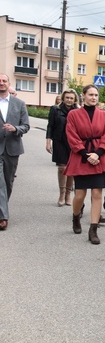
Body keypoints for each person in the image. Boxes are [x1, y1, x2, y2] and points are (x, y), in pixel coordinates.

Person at [63, 85, 105, 244]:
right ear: (83, 95)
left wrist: (97, 153)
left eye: (96, 95)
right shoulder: (73, 114)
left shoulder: (104, 115)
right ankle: (76, 216)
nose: (94, 97)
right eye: (90, 94)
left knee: (97, 193)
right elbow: (71, 136)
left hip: (99, 157)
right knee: (79, 195)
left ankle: (93, 229)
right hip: (81, 157)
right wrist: (85, 154)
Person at [0, 74, 30, 231]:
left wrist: (15, 129)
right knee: (0, 183)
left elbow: (26, 126)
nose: (1, 83)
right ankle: (3, 217)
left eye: (4, 81)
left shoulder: (19, 104)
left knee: (8, 181)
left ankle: (2, 207)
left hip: (12, 147)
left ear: (8, 84)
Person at [46, 89, 79, 207]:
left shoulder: (78, 111)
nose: (69, 100)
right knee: (62, 168)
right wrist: (48, 141)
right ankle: (62, 193)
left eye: (71, 98)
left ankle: (68, 195)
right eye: (67, 98)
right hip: (59, 140)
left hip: (73, 142)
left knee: (72, 169)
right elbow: (50, 126)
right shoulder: (55, 109)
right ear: (63, 98)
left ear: (75, 99)